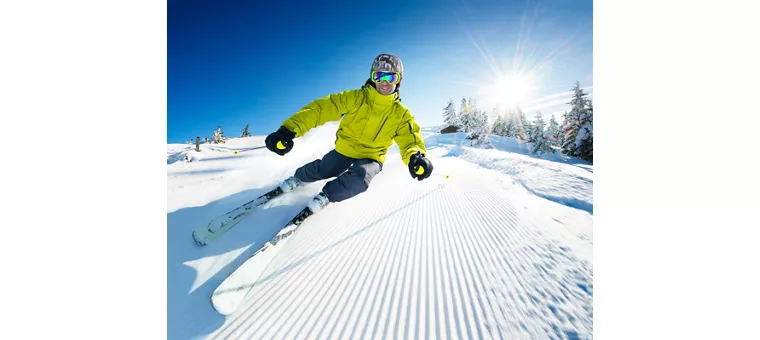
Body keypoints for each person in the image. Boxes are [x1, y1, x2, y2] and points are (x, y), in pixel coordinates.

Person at [264, 53, 434, 214]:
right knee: (325, 169)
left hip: (372, 156)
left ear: (399, 81)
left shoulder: (401, 115)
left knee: (360, 180)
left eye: (390, 77)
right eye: (379, 76)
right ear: (372, 77)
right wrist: (288, 130)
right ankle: (297, 179)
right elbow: (320, 110)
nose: (384, 82)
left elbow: (410, 140)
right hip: (345, 149)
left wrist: (415, 157)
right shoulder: (355, 98)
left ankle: (326, 196)